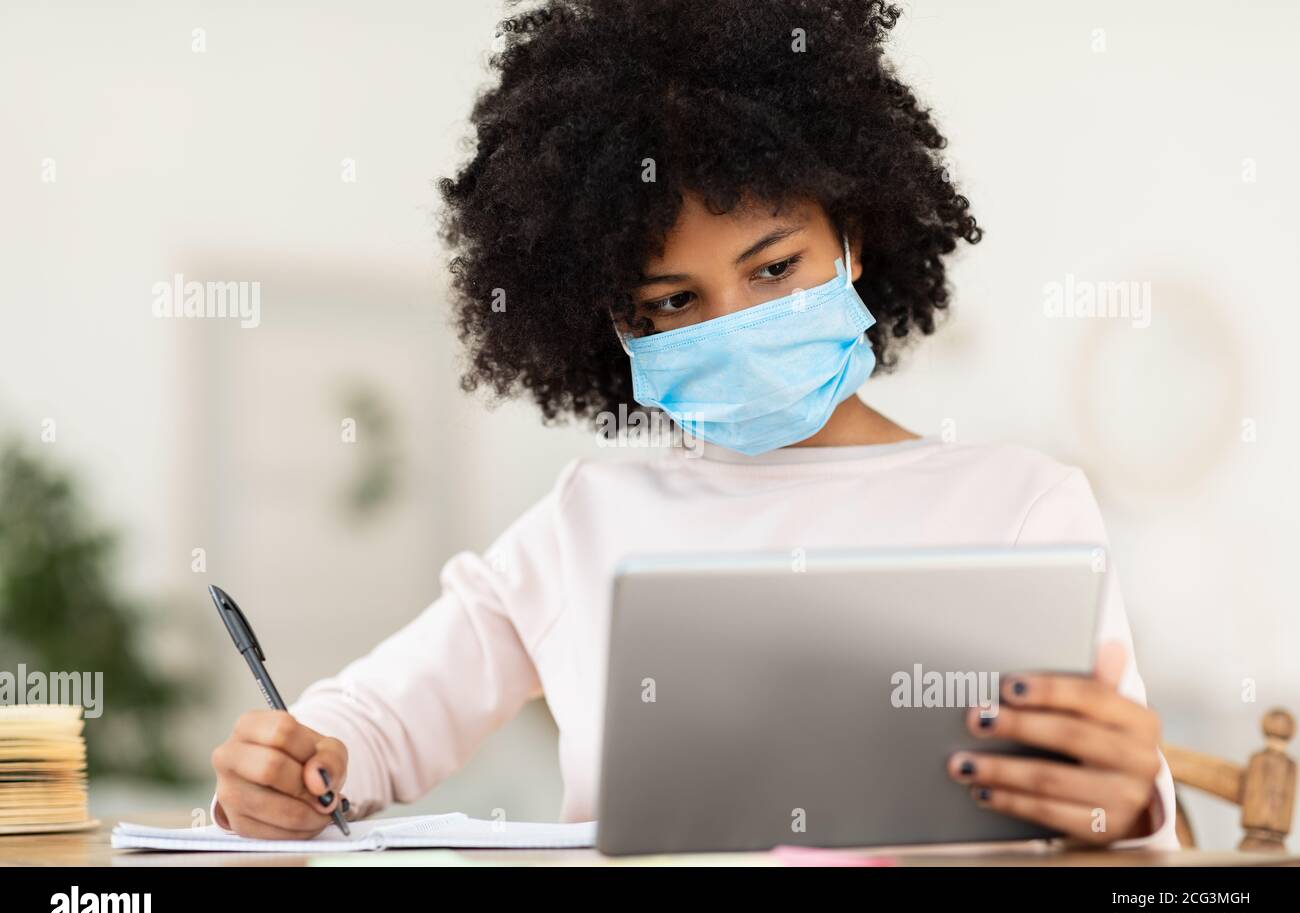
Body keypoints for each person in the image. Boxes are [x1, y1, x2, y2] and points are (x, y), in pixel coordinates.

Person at [210, 0, 1178, 850]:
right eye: (672, 302)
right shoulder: (586, 521)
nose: (734, 324)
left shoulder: (1017, 505)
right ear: (612, 324)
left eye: (772, 269)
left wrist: (1128, 803)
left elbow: (1148, 832)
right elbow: (372, 722)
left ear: (854, 238)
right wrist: (297, 764)